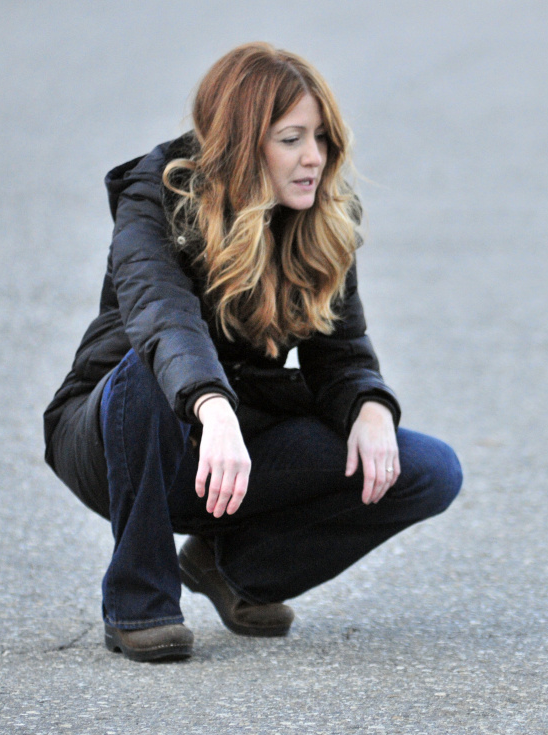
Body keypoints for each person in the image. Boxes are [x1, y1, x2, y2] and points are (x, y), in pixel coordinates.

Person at [43, 42, 462, 662]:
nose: (314, 158)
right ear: (244, 142)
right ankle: (140, 601)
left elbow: (340, 353)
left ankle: (231, 568)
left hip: (230, 448)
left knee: (427, 470)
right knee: (147, 370)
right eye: (291, 139)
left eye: (320, 138)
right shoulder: (154, 196)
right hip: (120, 438)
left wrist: (371, 408)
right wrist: (212, 407)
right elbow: (164, 321)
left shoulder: (321, 217)